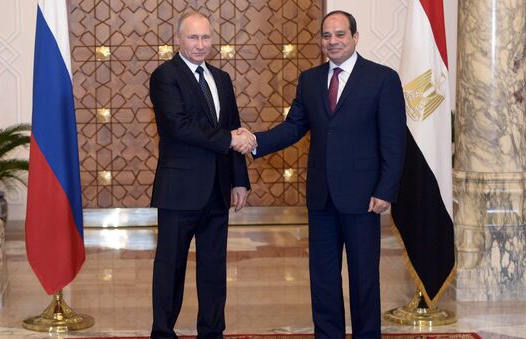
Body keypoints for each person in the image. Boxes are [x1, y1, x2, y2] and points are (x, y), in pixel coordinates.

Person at [239, 10, 407, 338]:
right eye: (327, 36)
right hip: (321, 197)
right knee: (323, 279)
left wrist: (386, 189)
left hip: (363, 198)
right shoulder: (311, 79)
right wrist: (256, 141)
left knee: (364, 279)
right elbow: (294, 127)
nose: (333, 41)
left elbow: (393, 140)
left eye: (340, 34)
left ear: (355, 38)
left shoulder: (382, 79)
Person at [148, 10, 256, 339]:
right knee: (171, 268)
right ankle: (163, 332)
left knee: (213, 269)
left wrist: (239, 180)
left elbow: (232, 127)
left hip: (218, 190)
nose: (200, 44)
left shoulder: (221, 78)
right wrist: (229, 139)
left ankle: (212, 332)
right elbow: (177, 127)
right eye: (193, 37)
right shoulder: (165, 76)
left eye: (205, 37)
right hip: (179, 190)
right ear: (178, 39)